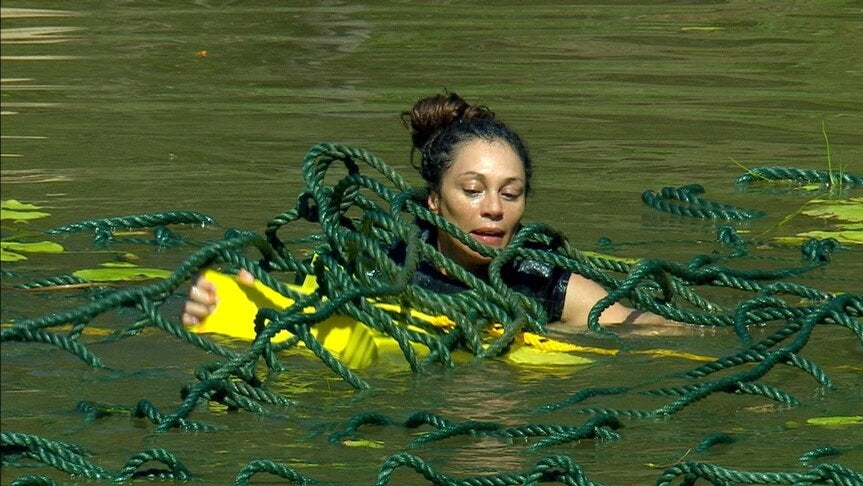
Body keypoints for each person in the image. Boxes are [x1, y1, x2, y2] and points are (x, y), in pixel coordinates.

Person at [182, 92, 680, 332]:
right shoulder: (381, 267)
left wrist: (547, 332)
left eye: (511, 194)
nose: (493, 209)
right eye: (473, 190)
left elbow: (665, 330)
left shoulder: (540, 280)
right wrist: (230, 308)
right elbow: (301, 314)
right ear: (434, 201)